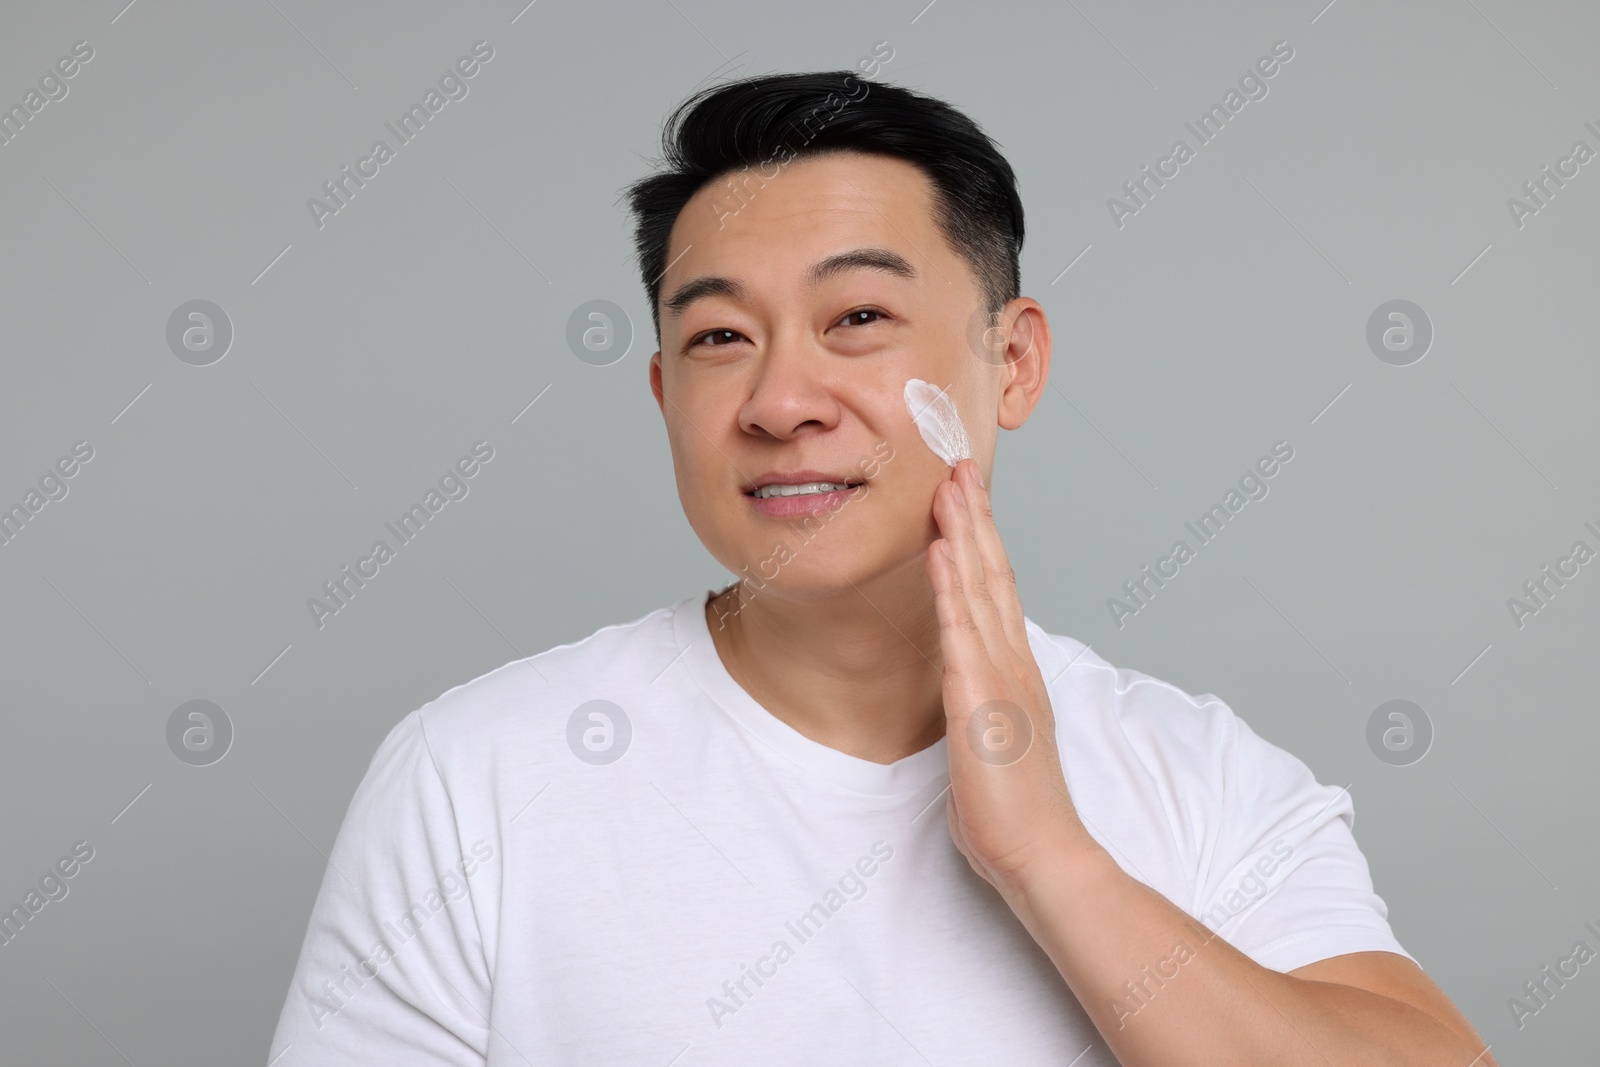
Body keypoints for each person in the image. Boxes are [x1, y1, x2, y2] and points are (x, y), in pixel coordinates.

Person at [268, 69, 1496, 1066]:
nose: (781, 399)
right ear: (663, 396)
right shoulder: (478, 777)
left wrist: (1047, 855)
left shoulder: (1206, 780)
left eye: (855, 317)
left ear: (1009, 364)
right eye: (717, 337)